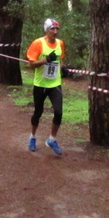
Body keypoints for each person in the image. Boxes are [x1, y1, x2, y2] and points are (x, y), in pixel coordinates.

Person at [26, 18, 66, 155]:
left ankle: (52, 139)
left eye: (57, 29)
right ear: (46, 30)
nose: (55, 32)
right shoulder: (38, 43)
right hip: (40, 84)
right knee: (38, 112)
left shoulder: (60, 43)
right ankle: (32, 137)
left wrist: (64, 68)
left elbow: (60, 59)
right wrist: (46, 60)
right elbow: (31, 65)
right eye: (52, 29)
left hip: (55, 84)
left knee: (59, 112)